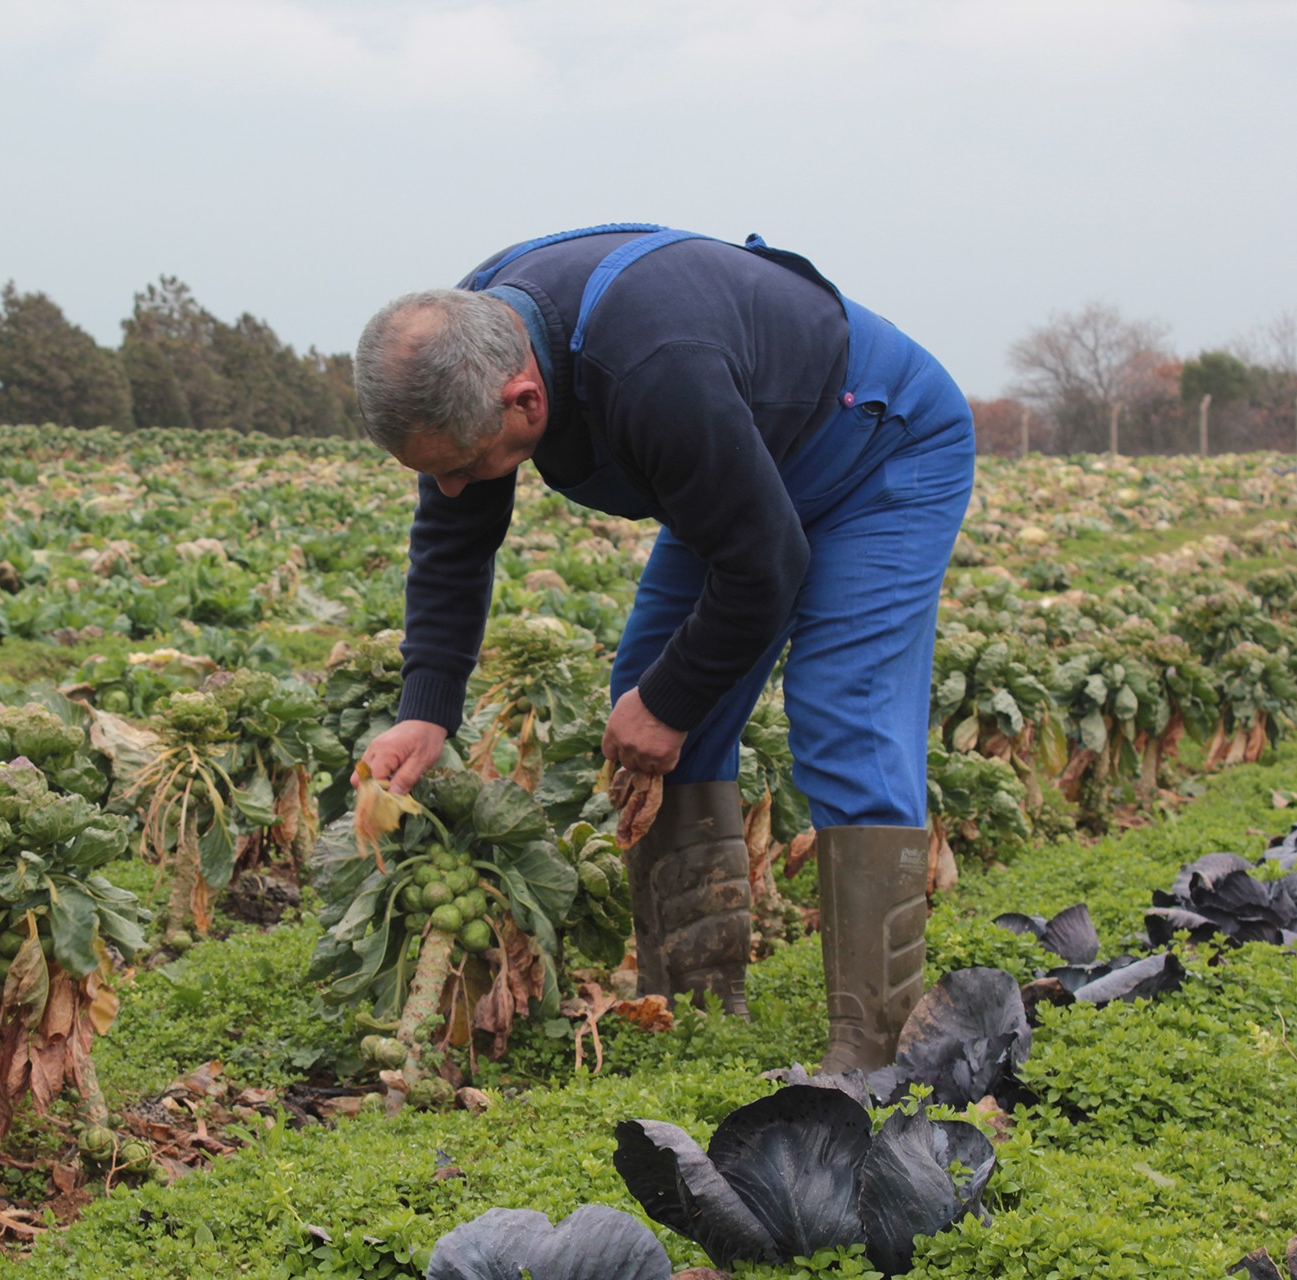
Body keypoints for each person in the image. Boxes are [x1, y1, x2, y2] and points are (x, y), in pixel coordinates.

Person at [351, 224, 975, 1073]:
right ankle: (701, 1007)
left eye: (463, 464)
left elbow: (765, 567)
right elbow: (455, 539)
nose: (452, 487)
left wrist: (674, 703)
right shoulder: (468, 345)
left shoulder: (652, 368)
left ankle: (874, 1050)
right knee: (642, 700)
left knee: (840, 709)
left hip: (879, 451)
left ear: (525, 401)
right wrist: (426, 710)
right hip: (736, 467)